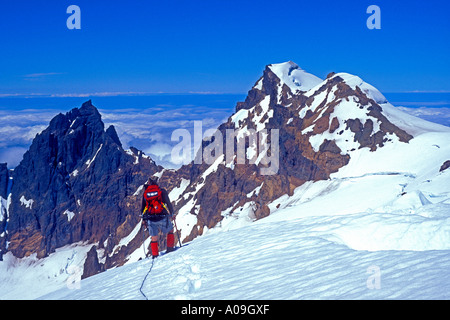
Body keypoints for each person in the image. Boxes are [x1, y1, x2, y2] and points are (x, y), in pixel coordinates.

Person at [141, 177, 175, 259]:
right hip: (162, 216)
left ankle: (155, 255)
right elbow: (168, 203)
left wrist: (144, 220)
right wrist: (172, 213)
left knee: (154, 237)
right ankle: (170, 249)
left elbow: (143, 208)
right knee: (170, 230)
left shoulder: (146, 193)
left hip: (150, 218)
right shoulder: (161, 191)